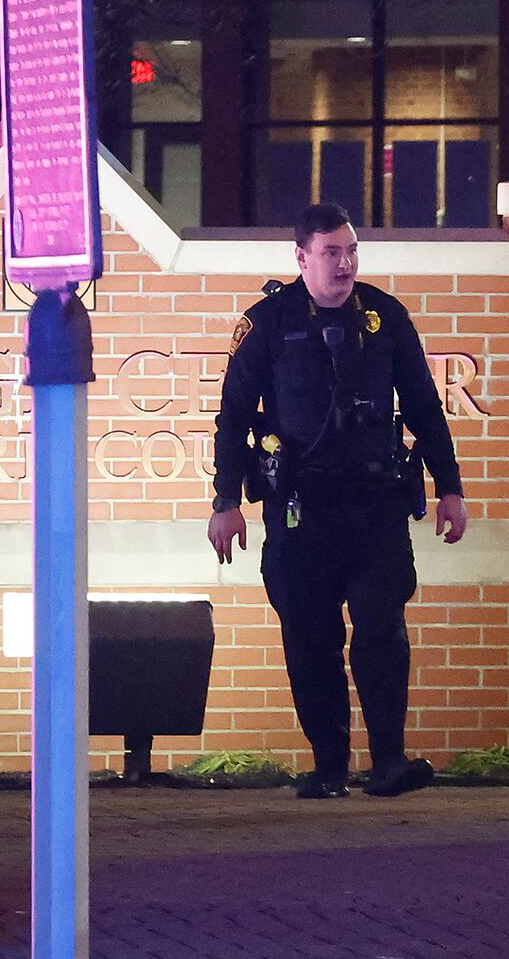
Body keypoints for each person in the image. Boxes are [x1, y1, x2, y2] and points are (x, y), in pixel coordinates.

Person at [207, 202, 468, 799]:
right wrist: (226, 500)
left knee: (382, 630)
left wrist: (449, 487)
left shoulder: (385, 317)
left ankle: (388, 763)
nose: (345, 263)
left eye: (351, 251)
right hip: (301, 512)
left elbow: (426, 408)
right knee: (310, 638)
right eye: (331, 253)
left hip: (374, 505)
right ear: (301, 258)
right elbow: (233, 420)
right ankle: (328, 767)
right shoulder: (266, 324)